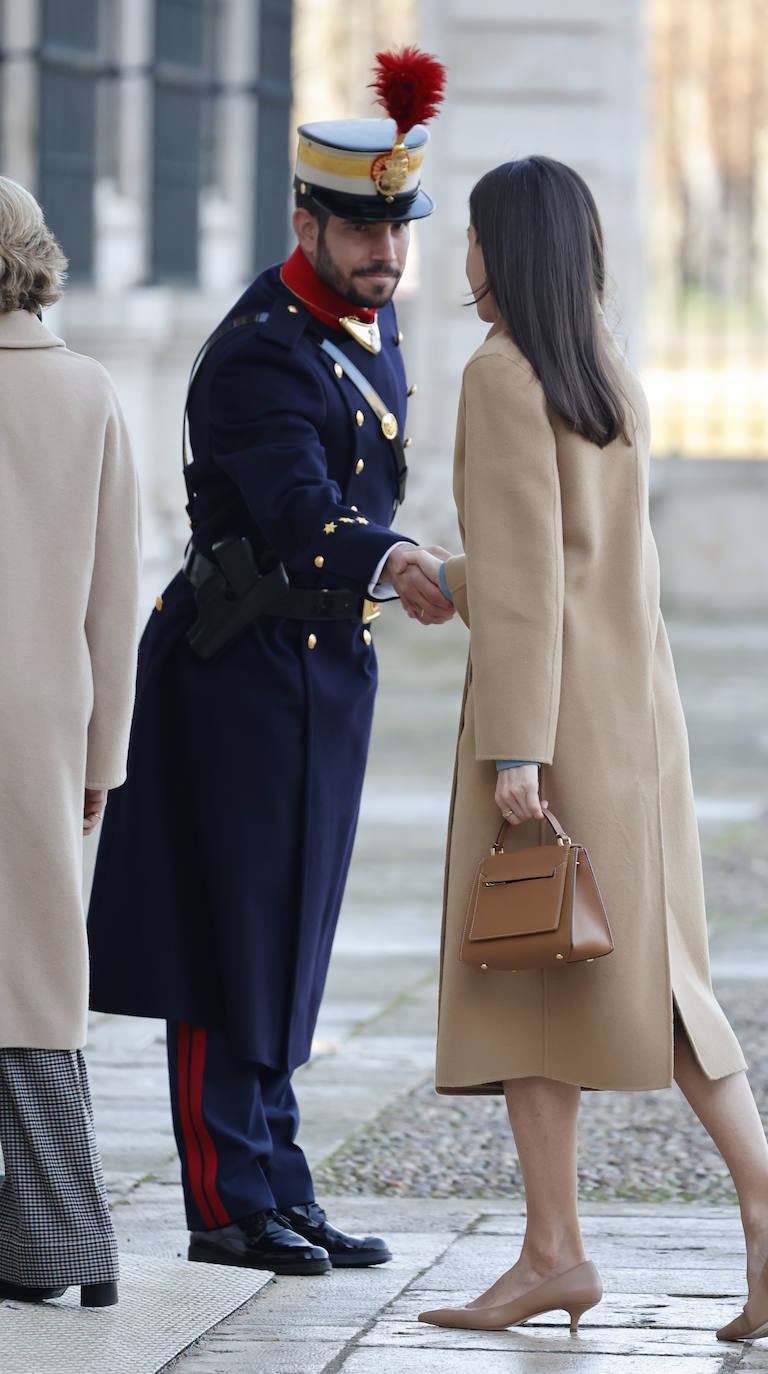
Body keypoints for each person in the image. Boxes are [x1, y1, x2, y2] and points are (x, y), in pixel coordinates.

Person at [403, 157, 768, 1342]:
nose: (464, 258)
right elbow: (584, 565)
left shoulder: (499, 376)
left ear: (506, 251)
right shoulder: (603, 371)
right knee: (652, 973)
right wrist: (449, 576)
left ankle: (560, 1250)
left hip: (550, 726)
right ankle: (755, 1210)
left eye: (476, 236)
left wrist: (515, 751)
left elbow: (537, 585)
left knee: (526, 964)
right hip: (635, 721)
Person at [86, 51, 452, 1277]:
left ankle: (279, 1177)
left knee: (290, 936)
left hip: (319, 677)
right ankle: (221, 1201)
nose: (383, 253)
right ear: (307, 220)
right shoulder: (261, 350)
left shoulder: (362, 324)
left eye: (394, 229)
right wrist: (397, 560)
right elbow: (301, 509)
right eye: (359, 229)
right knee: (224, 935)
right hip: (235, 675)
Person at [0, 177, 141, 1308]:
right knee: (39, 974)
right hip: (45, 713)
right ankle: (63, 1248)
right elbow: (115, 600)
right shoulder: (89, 390)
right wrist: (105, 760)